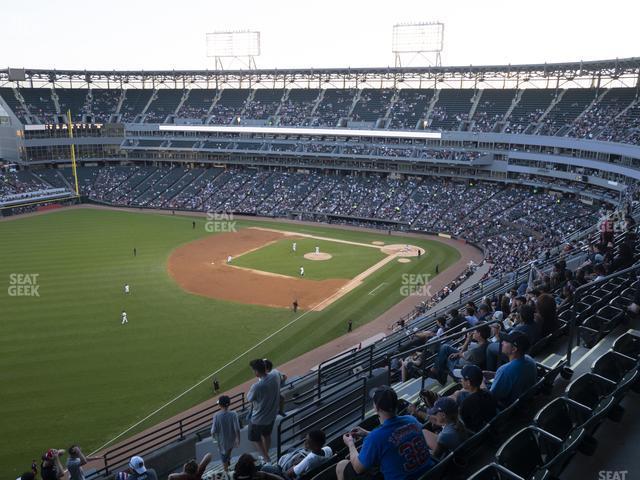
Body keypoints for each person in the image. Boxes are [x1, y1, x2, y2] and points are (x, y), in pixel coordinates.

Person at [336, 386, 435, 480]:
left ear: (376, 408)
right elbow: (394, 436)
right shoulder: (412, 420)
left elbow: (358, 468)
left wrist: (350, 444)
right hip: (429, 474)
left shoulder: (375, 438)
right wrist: (367, 433)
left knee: (342, 465)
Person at [487, 332, 537, 408]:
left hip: (508, 408)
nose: (502, 343)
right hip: (523, 401)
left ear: (514, 349)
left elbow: (491, 398)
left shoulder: (504, 370)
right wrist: (495, 374)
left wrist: (481, 384)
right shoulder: (529, 359)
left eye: (506, 342)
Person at [262, 430, 333, 479]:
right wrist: (302, 461)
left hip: (285, 476)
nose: (305, 442)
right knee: (291, 450)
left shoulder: (309, 460)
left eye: (307, 441)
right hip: (314, 470)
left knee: (265, 468)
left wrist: (296, 465)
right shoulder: (328, 449)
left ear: (316, 445)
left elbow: (287, 474)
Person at [247, 359, 281, 462]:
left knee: (255, 439)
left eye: (254, 370)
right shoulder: (275, 374)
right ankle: (266, 453)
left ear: (257, 371)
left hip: (258, 419)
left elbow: (249, 398)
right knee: (267, 435)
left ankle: (266, 458)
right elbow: (283, 377)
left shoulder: (257, 386)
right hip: (271, 416)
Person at [457, 365, 497, 432]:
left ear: (468, 383)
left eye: (462, 378)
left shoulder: (466, 403)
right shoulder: (488, 393)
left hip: (479, 434)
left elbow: (465, 423)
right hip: (492, 427)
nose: (461, 380)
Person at [211, 396, 241, 475]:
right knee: (228, 452)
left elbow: (213, 430)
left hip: (222, 441)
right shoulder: (234, 414)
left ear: (220, 405)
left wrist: (214, 438)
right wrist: (238, 439)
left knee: (224, 457)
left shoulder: (216, 415)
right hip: (232, 439)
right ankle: (228, 463)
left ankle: (226, 472)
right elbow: (237, 428)